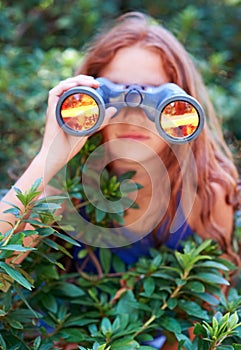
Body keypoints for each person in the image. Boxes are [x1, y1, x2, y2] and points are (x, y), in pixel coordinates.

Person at [0, 11, 240, 349]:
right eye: (111, 95)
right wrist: (50, 158)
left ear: (184, 106)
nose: (134, 113)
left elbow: (196, 329)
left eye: (159, 98)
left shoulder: (207, 194)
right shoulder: (61, 189)